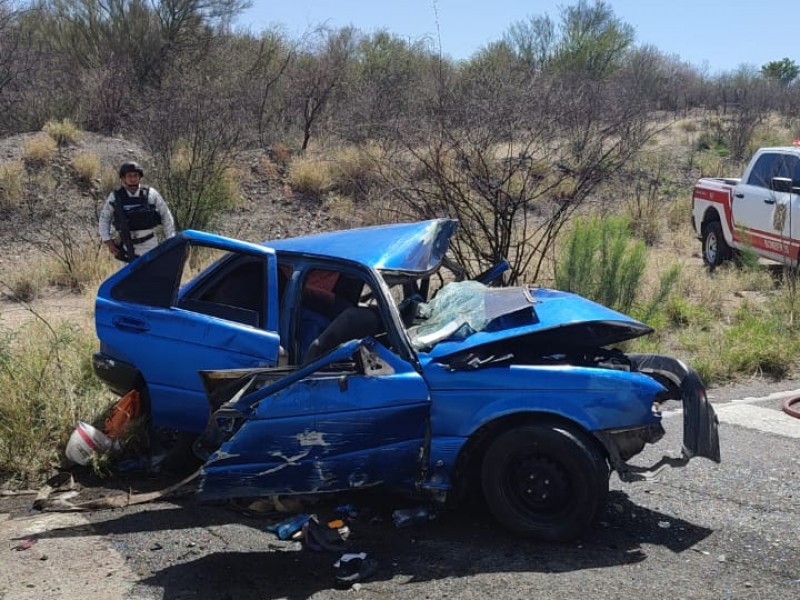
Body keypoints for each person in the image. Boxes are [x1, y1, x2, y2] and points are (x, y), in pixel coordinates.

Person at [99, 161, 175, 261]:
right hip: (127, 247)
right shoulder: (115, 197)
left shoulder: (151, 194)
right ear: (123, 178)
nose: (133, 179)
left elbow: (166, 216)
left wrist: (171, 240)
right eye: (129, 176)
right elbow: (104, 219)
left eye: (136, 175)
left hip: (150, 245)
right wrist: (108, 241)